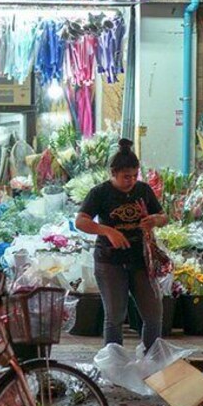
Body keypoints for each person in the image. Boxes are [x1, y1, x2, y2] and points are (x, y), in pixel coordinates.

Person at [74, 138, 168, 350]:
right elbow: (81, 221)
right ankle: (113, 363)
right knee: (115, 316)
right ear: (113, 173)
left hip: (141, 260)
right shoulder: (100, 193)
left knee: (154, 314)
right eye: (126, 177)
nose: (131, 181)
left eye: (135, 176)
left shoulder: (143, 190)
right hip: (109, 261)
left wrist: (155, 221)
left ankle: (152, 360)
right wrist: (107, 230)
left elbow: (163, 216)